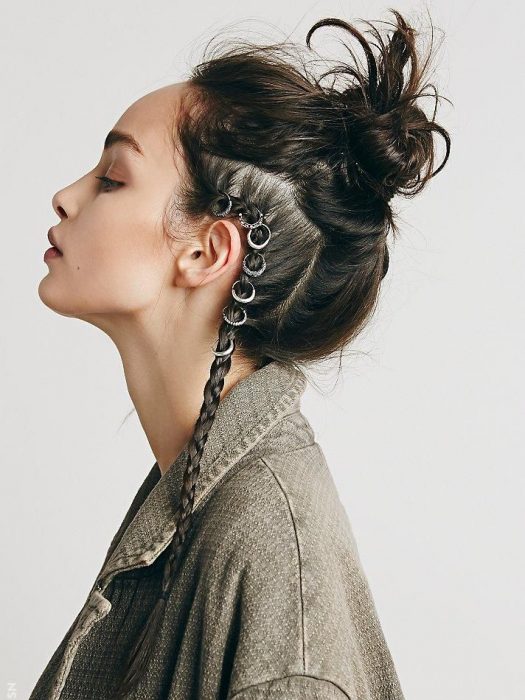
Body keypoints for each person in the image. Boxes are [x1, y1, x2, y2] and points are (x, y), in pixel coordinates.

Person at [31, 9, 451, 700]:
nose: (66, 195)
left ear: (206, 252)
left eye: (112, 178)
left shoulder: (264, 551)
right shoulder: (198, 495)